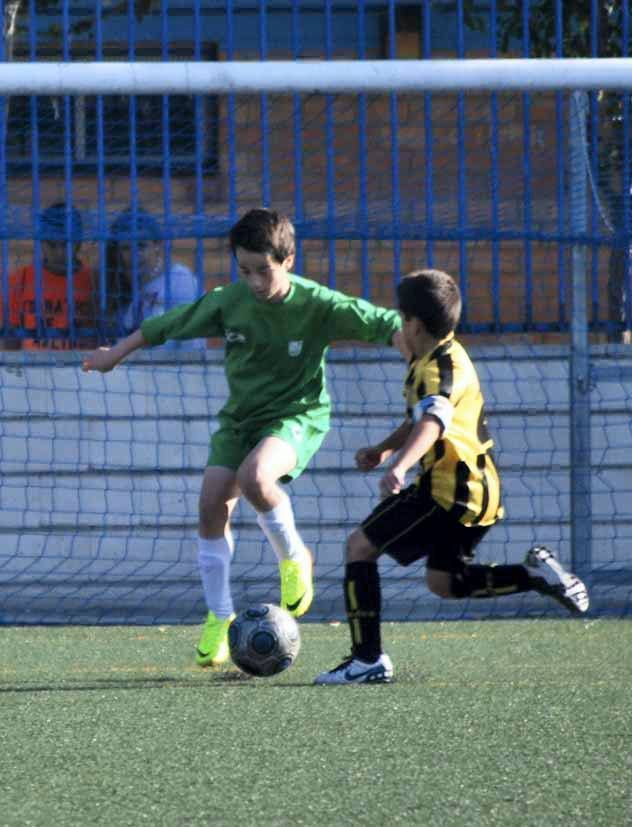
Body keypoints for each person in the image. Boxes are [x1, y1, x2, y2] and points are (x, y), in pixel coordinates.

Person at [82, 207, 406, 667]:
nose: (255, 282)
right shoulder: (228, 302)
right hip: (241, 420)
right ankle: (219, 617)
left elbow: (384, 323)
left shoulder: (317, 305)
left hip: (297, 415)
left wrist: (418, 355)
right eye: (246, 271)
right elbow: (167, 325)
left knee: (256, 477)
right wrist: (114, 355)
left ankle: (295, 559)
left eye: (264, 271)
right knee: (212, 504)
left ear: (289, 259)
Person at [314, 268, 590, 686]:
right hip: (479, 494)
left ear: (414, 324)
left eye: (401, 317)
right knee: (445, 583)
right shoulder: (441, 355)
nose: (398, 323)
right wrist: (386, 448)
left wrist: (399, 466)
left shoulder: (437, 369)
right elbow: (420, 417)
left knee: (359, 547)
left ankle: (366, 659)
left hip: (447, 494)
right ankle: (535, 576)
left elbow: (434, 421)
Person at [105, 206, 205, 349]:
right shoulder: (123, 287)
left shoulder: (180, 280)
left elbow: (192, 346)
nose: (134, 255)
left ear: (157, 245)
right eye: (126, 248)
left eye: (141, 246)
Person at [1, 202, 94, 350]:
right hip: (32, 370)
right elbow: (10, 346)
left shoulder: (95, 282)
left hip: (82, 369)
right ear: (41, 242)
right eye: (52, 245)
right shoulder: (19, 281)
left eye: (65, 244)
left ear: (79, 243)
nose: (59, 253)